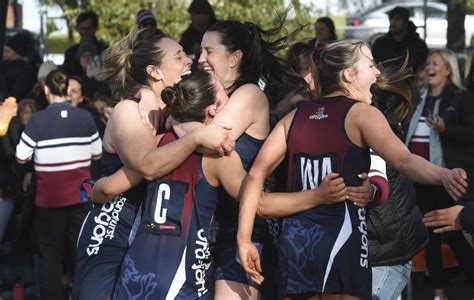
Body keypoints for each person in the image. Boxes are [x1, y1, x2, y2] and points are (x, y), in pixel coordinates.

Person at [237, 40, 468, 300]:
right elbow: (403, 161)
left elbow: (255, 175)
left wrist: (243, 240)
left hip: (298, 244)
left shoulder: (294, 117)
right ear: (348, 74)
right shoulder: (361, 114)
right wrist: (444, 175)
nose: (378, 72)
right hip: (342, 239)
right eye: (370, 65)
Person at [72, 31, 233, 300]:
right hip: (113, 226)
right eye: (179, 55)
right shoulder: (127, 110)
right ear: (155, 71)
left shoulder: (171, 111)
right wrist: (193, 135)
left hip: (149, 235)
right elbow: (148, 166)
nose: (189, 60)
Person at [15, 69, 102, 300]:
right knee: (80, 253)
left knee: (50, 257)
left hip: (49, 200)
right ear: (66, 90)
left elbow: (21, 156)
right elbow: (97, 153)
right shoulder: (85, 117)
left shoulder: (37, 120)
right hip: (80, 199)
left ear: (46, 90)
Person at [405, 49, 474, 300]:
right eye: (428, 63)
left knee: (455, 235)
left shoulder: (461, 98)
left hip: (448, 179)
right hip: (420, 179)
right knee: (429, 236)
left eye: (436, 63)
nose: (430, 67)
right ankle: (438, 292)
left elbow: (471, 134)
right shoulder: (419, 98)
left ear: (448, 69)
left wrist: (447, 129)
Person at [372, 6, 428, 74]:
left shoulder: (418, 45)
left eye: (397, 19)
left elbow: (421, 68)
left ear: (405, 23)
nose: (393, 22)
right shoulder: (380, 44)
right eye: (391, 19)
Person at [63, 11, 108, 77]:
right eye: (81, 29)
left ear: (95, 28)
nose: (84, 32)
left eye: (88, 29)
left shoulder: (105, 50)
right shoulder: (70, 53)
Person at [180, 0, 217, 66]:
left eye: (195, 15)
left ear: (207, 15)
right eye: (191, 15)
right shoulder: (188, 35)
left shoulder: (220, 31)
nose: (192, 18)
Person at [2, 32, 37, 101]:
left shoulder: (27, 71)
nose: (4, 54)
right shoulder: (3, 65)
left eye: (8, 51)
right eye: (4, 51)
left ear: (18, 53)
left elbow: (18, 94)